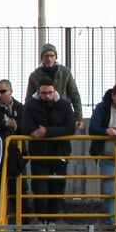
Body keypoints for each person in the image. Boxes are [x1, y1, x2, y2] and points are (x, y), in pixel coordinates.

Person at [19, 80, 77, 212]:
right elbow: (26, 127)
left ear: (55, 91)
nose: (47, 96)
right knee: (40, 190)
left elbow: (70, 128)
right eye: (43, 93)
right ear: (38, 92)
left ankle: (52, 222)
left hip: (59, 153)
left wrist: (46, 132)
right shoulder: (30, 105)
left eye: (50, 92)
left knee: (57, 189)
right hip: (39, 154)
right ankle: (41, 222)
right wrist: (46, 131)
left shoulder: (65, 105)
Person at [25, 44, 83, 124]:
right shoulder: (34, 75)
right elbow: (29, 98)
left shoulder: (65, 73)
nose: (49, 58)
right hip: (41, 116)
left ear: (56, 57)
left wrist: (79, 117)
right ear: (42, 58)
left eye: (52, 56)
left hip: (62, 114)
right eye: (46, 56)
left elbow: (75, 95)